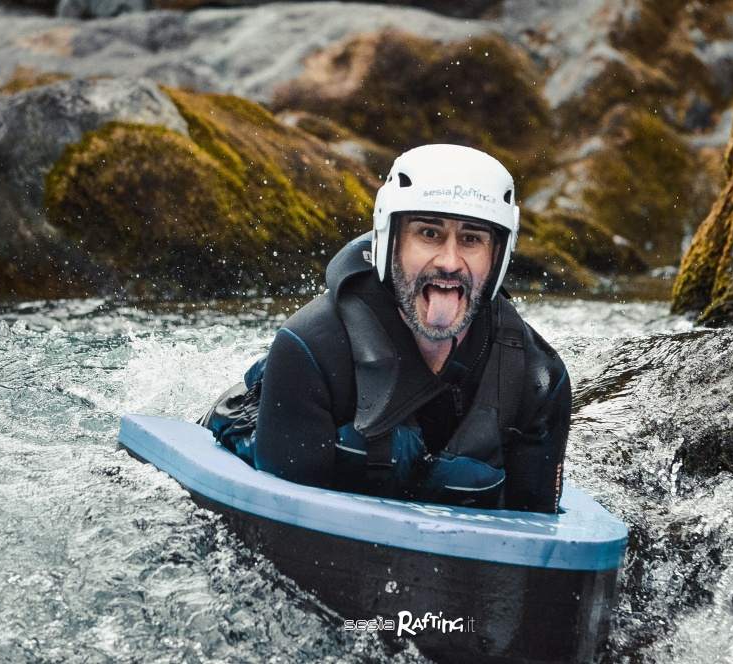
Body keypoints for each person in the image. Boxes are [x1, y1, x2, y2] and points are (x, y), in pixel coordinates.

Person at [200, 144, 571, 513]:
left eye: (472, 240)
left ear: (498, 257)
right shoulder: (311, 348)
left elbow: (538, 535)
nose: (449, 262)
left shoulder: (538, 380)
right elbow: (281, 526)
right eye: (429, 233)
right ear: (390, 242)